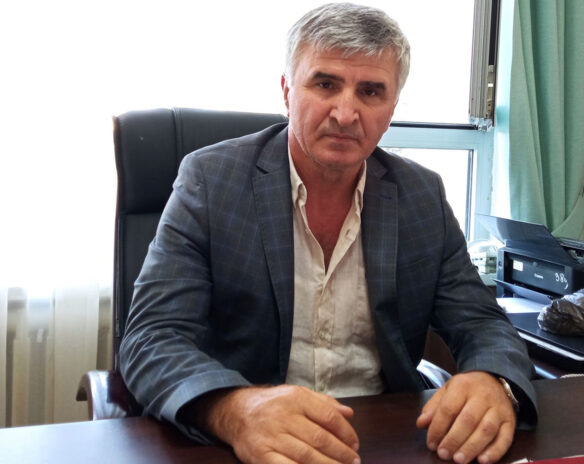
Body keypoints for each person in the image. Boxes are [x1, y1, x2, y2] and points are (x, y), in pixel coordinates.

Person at [119, 3, 538, 464]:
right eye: (325, 84)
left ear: (392, 107)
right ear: (287, 91)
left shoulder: (421, 195)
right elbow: (152, 338)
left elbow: (481, 322)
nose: (345, 113)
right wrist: (234, 410)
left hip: (383, 438)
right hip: (249, 440)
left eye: (371, 91)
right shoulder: (211, 180)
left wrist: (493, 380)